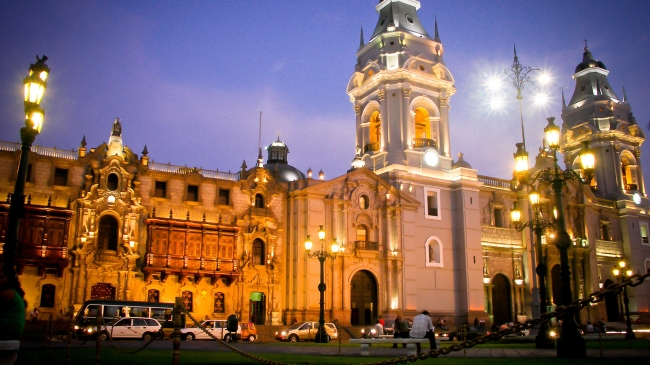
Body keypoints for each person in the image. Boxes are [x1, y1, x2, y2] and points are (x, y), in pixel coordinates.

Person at [0, 268, 27, 340]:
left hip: (7, 329)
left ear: (9, 280)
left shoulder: (7, 293)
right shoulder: (13, 292)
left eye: (2, 277)